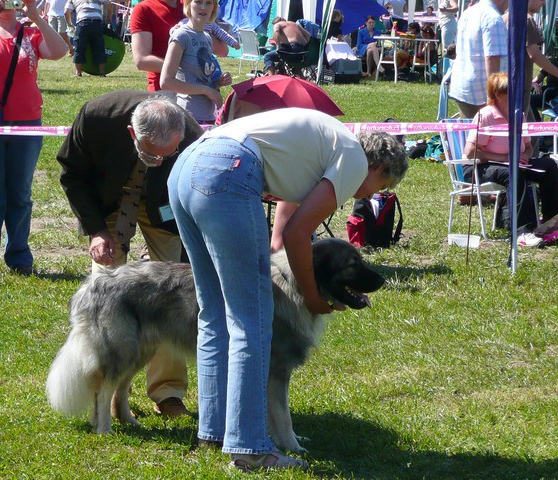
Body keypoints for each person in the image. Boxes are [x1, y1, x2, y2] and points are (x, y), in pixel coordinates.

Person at [168, 109, 408, 471]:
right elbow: (298, 235)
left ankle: (214, 432)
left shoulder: (322, 148)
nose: (376, 192)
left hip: (186, 167)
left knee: (214, 313)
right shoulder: (354, 161)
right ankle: (249, 448)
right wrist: (313, 298)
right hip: (227, 169)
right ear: (380, 169)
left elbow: (282, 234)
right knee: (252, 320)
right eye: (384, 187)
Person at [56, 92, 202, 418]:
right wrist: (96, 229)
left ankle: (168, 393)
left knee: (173, 300)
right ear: (132, 133)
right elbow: (72, 174)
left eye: (167, 156)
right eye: (151, 156)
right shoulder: (95, 115)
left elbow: (197, 190)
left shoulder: (192, 135)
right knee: (106, 297)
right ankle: (102, 389)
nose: (159, 162)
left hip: (164, 211)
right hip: (107, 202)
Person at [0, 0, 67, 276]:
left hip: (27, 123)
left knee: (20, 193)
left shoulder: (31, 33)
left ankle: (19, 257)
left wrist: (36, 16)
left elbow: (60, 51)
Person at [463, 73, 558, 247]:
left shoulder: (518, 114)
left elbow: (528, 147)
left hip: (512, 163)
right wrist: (505, 158)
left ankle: (551, 221)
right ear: (497, 94)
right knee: (514, 173)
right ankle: (522, 231)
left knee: (550, 165)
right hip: (481, 167)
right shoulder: (485, 115)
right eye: (509, 91)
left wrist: (525, 156)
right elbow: (470, 152)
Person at [160, 0, 231, 124]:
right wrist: (207, 90)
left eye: (208, 3)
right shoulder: (181, 35)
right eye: (198, 2)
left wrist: (217, 83)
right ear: (188, 5)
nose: (203, 7)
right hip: (189, 119)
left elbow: (202, 80)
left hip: (209, 117)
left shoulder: (207, 38)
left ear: (214, 8)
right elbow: (166, 82)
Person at [449, 0, 508, 119]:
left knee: (470, 134)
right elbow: (492, 58)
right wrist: (494, 96)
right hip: (482, 92)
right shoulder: (494, 19)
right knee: (492, 136)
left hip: (463, 87)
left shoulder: (468, 12)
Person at [504, 0, 558, 124]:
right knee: (522, 134)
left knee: (530, 136)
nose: (544, 4)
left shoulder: (507, 17)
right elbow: (535, 55)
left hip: (506, 83)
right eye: (542, 0)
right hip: (519, 86)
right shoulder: (527, 20)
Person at [130, 0, 185, 93]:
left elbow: (218, 48)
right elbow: (142, 60)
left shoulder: (192, 5)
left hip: (198, 85)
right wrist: (189, 69)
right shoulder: (144, 8)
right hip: (165, 88)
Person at [64, 0, 109, 77]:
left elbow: (66, 11)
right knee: (99, 47)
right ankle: (102, 72)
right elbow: (108, 3)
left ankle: (78, 73)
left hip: (82, 23)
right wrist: (108, 17)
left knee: (79, 48)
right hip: (97, 23)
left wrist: (69, 23)